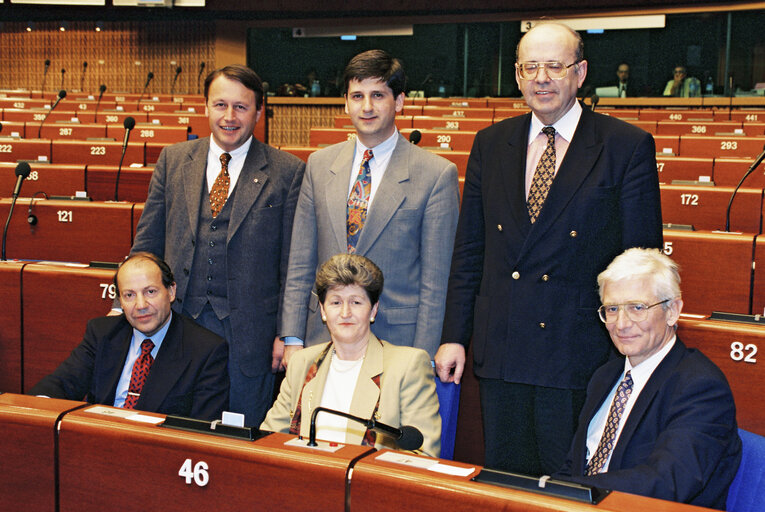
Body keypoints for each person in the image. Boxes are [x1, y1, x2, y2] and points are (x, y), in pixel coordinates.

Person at [435, 22, 663, 475]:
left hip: (577, 351)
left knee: (565, 485)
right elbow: (470, 252)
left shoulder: (625, 146)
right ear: (517, 77)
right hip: (503, 348)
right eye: (530, 67)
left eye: (554, 66)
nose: (542, 77)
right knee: (506, 482)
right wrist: (454, 336)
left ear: (579, 73)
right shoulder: (490, 143)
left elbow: (642, 261)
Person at [123, 64, 306, 426]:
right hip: (176, 325)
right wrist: (127, 307)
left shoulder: (287, 172)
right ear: (205, 107)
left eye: (241, 106)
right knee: (170, 428)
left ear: (259, 112)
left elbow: (292, 263)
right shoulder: (173, 161)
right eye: (220, 104)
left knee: (237, 435)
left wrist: (289, 334)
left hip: (249, 335)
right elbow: (147, 242)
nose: (229, 116)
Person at [279, 49, 459, 364]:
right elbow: (300, 261)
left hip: (396, 342)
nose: (366, 106)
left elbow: (436, 279)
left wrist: (424, 355)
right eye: (357, 95)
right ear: (345, 102)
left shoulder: (436, 174)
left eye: (378, 95)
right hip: (322, 338)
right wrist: (293, 337)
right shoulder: (319, 165)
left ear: (399, 101)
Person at [556, 248, 741, 510]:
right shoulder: (605, 376)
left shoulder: (701, 387)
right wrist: (546, 493)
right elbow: (574, 466)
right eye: (612, 309)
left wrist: (572, 492)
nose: (621, 324)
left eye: (637, 308)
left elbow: (666, 482)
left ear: (672, 311)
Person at [262, 254, 441, 457]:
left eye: (356, 302)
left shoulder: (408, 366)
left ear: (373, 310)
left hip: (367, 484)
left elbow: (423, 454)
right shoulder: (303, 363)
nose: (345, 313)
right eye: (336, 303)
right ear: (322, 310)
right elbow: (268, 439)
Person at [31, 253, 229, 421]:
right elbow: (63, 383)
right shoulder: (102, 333)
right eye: (129, 295)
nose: (141, 305)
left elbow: (201, 431)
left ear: (170, 291)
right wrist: (35, 409)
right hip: (97, 442)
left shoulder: (206, 350)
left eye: (150, 292)